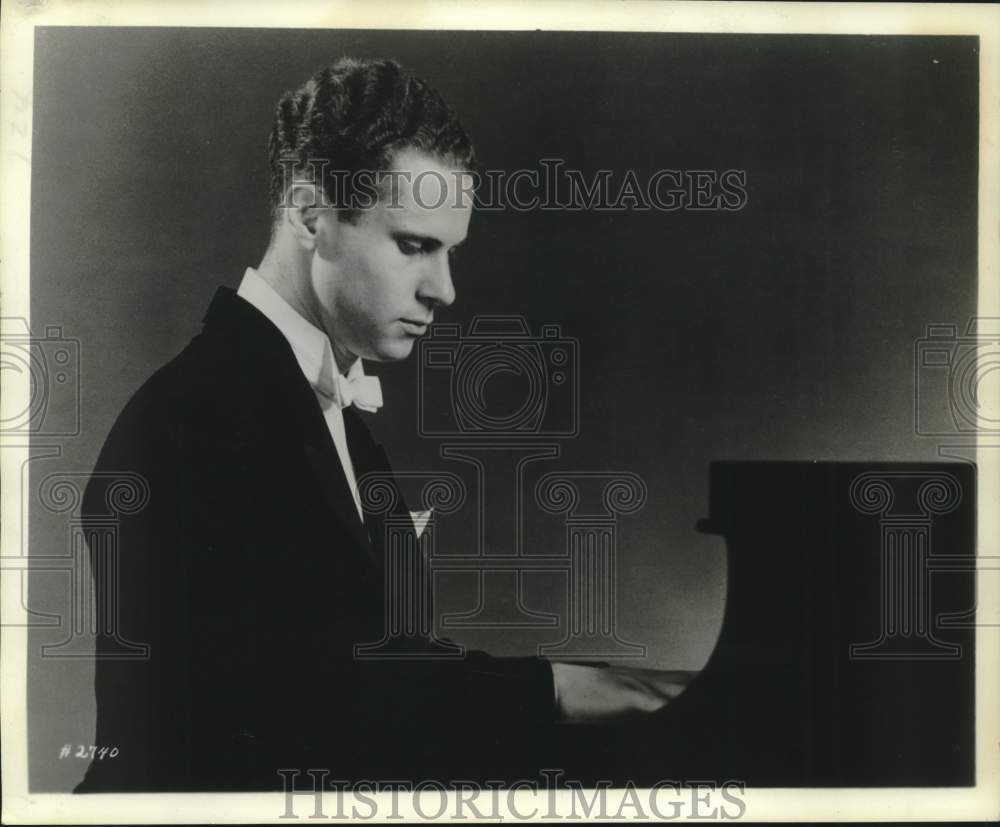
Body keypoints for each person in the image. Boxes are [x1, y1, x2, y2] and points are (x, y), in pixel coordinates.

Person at [76, 57, 691, 793]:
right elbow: (323, 708)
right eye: (414, 245)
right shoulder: (200, 416)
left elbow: (374, 667)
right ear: (311, 215)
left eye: (450, 250)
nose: (446, 289)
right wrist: (586, 687)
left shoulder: (308, 404)